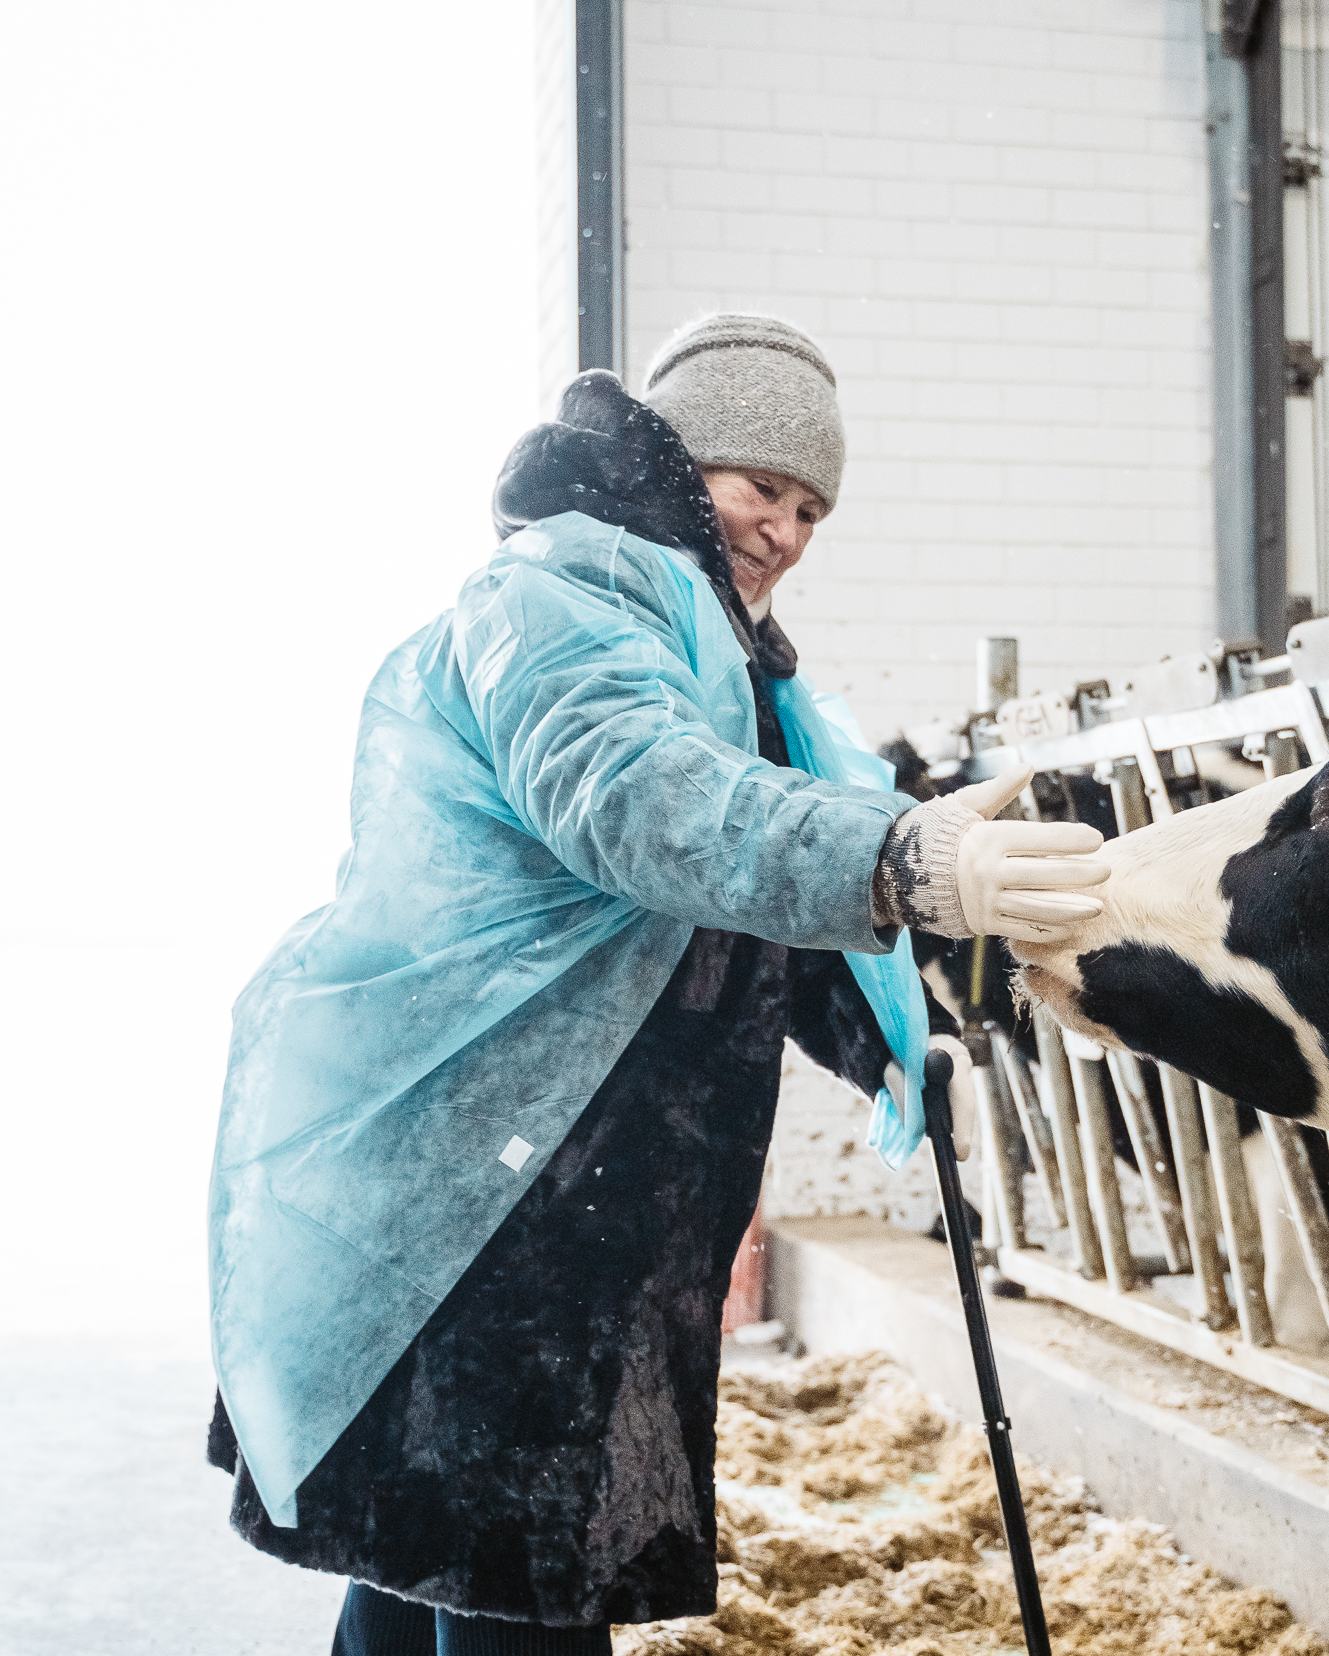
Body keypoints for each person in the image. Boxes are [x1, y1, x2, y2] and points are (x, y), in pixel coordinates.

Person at [203, 313, 1108, 1655]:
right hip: (487, 1177)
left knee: (433, 1553)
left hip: (562, 1177)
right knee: (525, 1570)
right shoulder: (555, 604)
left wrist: (883, 1039)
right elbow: (645, 810)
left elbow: (732, 920)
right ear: (686, 466)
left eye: (812, 508)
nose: (787, 532)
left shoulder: (720, 656)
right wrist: (902, 855)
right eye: (762, 489)